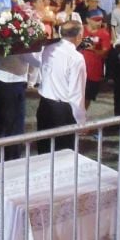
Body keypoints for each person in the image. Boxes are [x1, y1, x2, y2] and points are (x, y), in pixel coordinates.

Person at [36, 20, 87, 153]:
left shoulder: (49, 49)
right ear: (79, 36)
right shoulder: (76, 58)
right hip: (63, 111)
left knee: (44, 150)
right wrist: (81, 121)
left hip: (44, 105)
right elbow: (76, 93)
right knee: (63, 153)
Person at [0, 49, 40, 162]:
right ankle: (11, 158)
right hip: (12, 83)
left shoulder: (3, 38)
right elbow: (32, 59)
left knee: (0, 121)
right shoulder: (18, 41)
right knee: (14, 126)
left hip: (0, 80)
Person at [81, 10, 111, 109]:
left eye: (100, 20)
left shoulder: (104, 34)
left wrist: (93, 49)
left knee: (87, 97)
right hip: (79, 70)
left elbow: (104, 53)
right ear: (88, 20)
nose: (99, 23)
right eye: (96, 20)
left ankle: (81, 120)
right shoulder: (81, 30)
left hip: (94, 72)